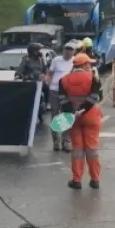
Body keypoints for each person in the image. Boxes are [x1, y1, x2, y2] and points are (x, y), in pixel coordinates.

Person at [59, 52, 103, 189]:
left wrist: (73, 112)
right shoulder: (93, 78)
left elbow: (62, 101)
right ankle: (95, 180)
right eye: (88, 63)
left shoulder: (64, 79)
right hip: (91, 117)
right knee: (92, 149)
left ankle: (76, 180)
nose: (90, 65)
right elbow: (96, 97)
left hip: (74, 119)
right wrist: (83, 109)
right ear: (84, 65)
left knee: (77, 150)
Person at [44, 43, 76, 152]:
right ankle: (56, 141)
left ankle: (66, 141)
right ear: (63, 50)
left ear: (73, 51)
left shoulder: (75, 61)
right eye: (66, 49)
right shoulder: (56, 60)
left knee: (66, 116)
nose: (68, 52)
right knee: (54, 115)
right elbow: (50, 73)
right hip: (55, 91)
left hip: (68, 92)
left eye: (71, 50)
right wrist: (47, 80)